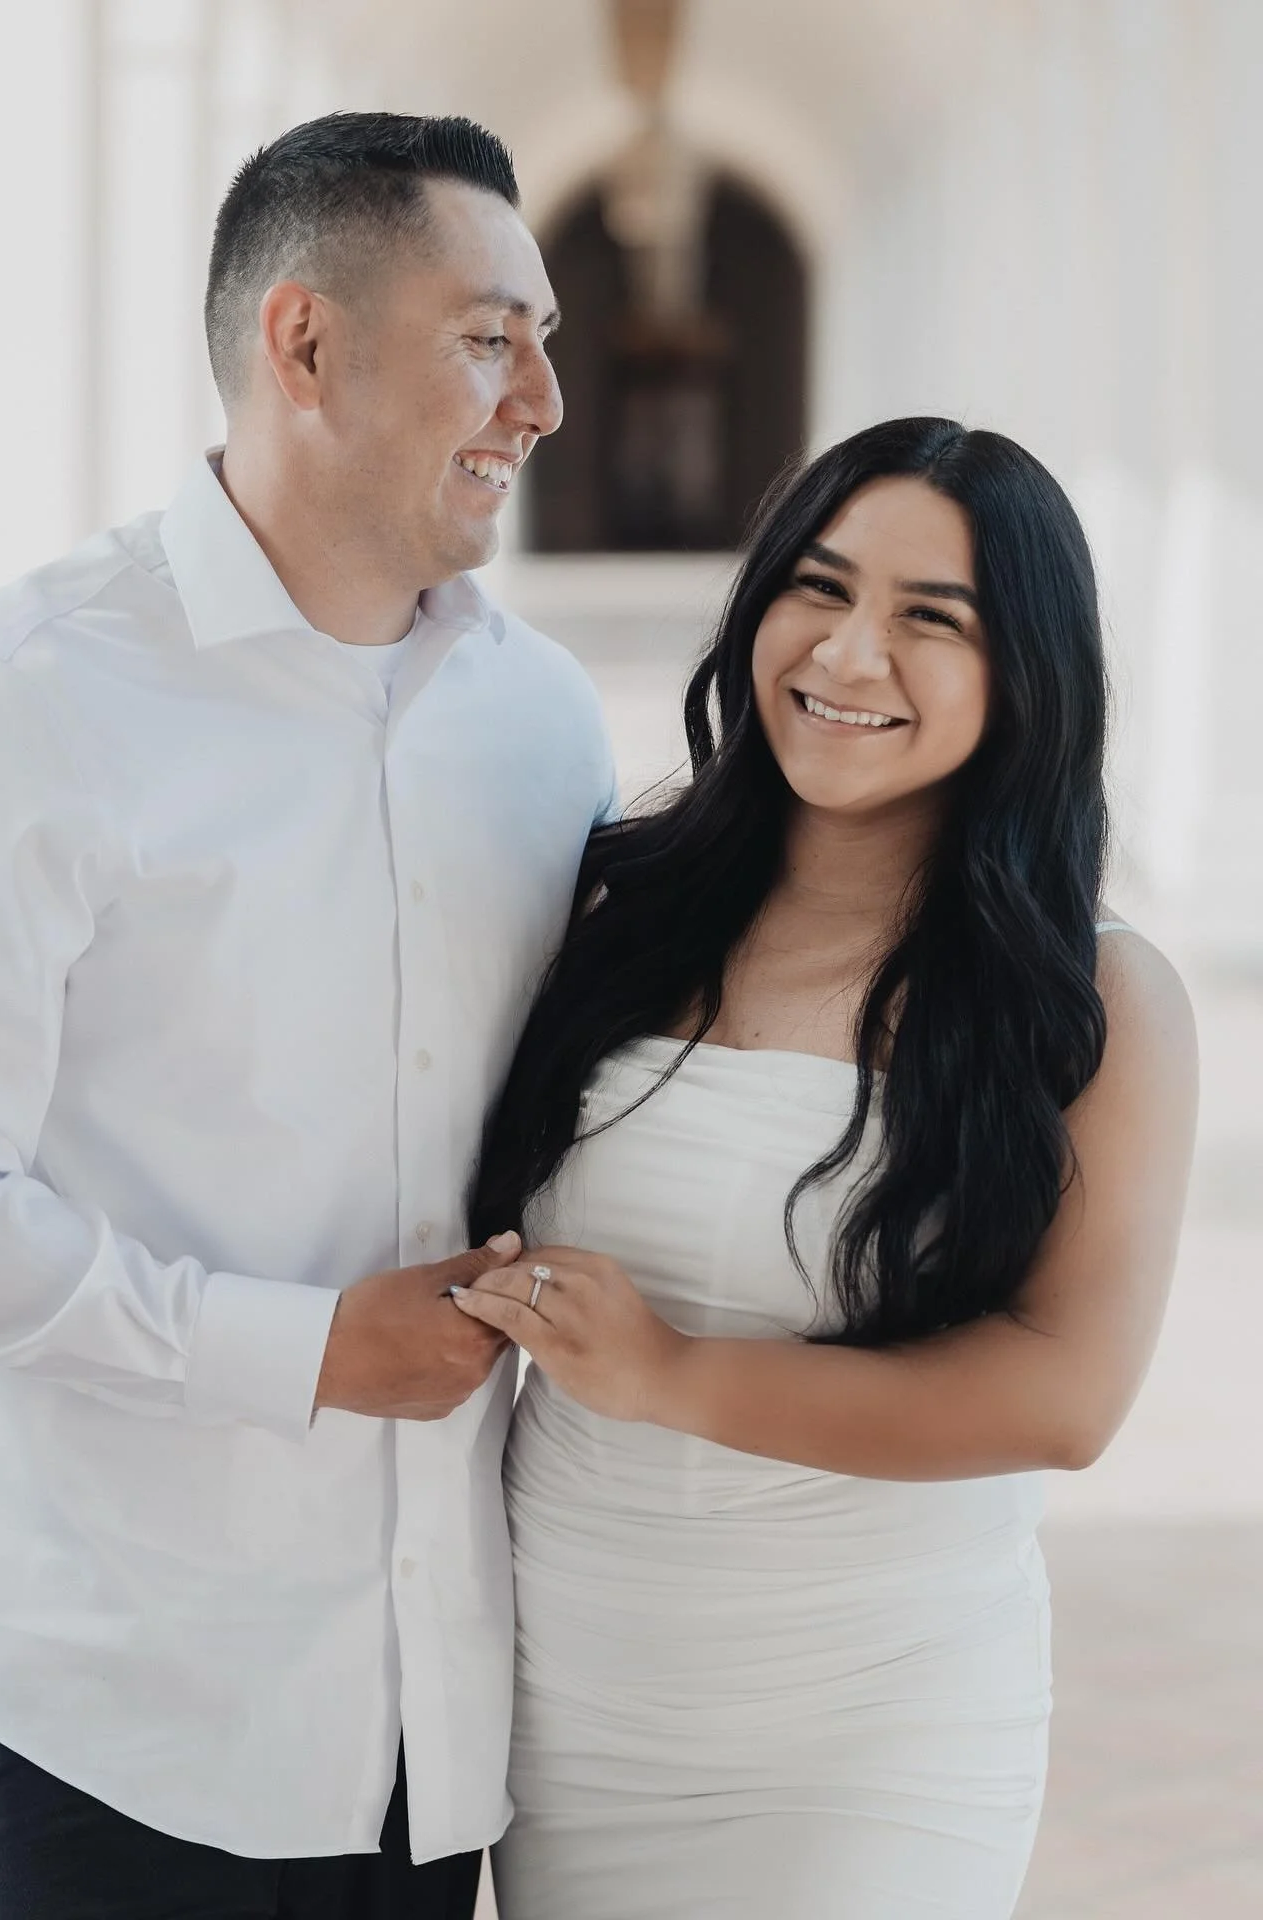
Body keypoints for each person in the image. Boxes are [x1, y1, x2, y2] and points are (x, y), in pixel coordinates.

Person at [0, 112, 614, 1919]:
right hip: (112, 1687)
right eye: (492, 335)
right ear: (305, 343)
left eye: (546, 340)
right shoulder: (15, 702)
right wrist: (304, 1351)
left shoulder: (543, 721)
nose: (544, 402)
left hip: (435, 1705)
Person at [454, 417, 1198, 1919]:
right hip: (575, 1698)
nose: (852, 657)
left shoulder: (1092, 996)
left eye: (934, 620)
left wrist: (668, 1373)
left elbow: (1063, 1399)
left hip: (870, 1724)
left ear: (1027, 676)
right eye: (821, 587)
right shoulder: (622, 898)